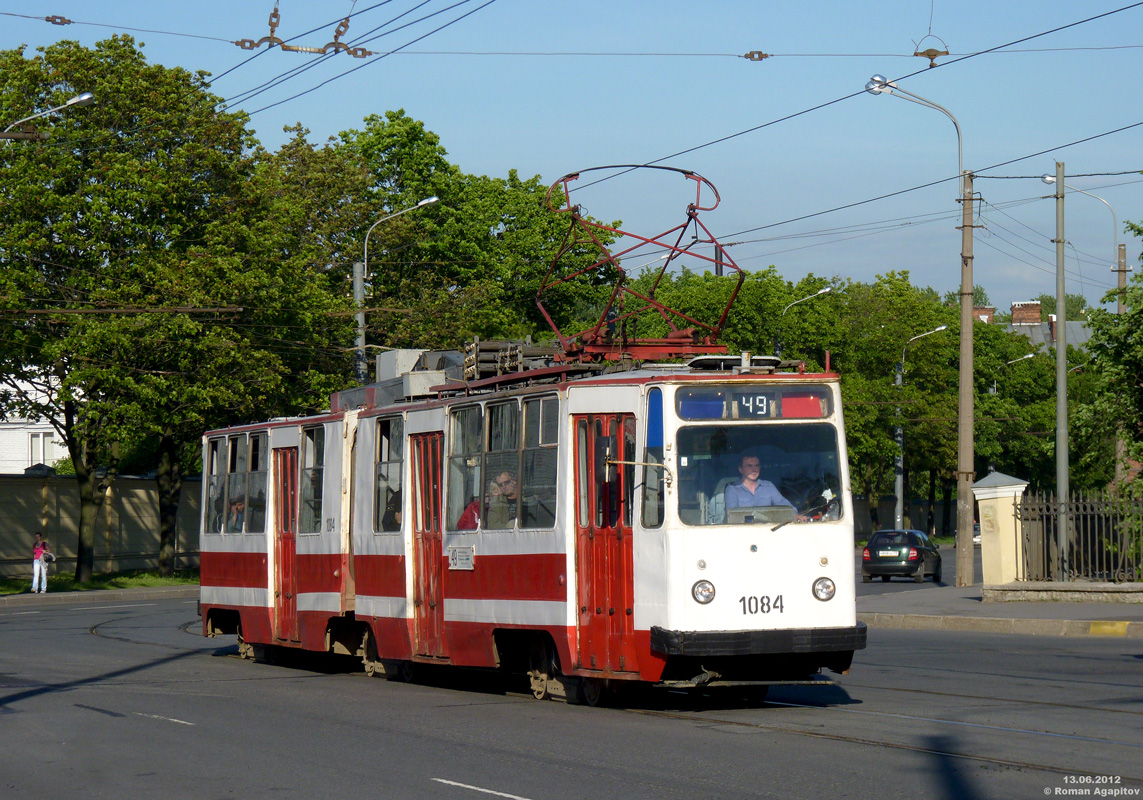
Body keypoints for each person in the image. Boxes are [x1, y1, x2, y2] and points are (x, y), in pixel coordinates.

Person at [724, 455, 795, 511]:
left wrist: (794, 515)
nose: (754, 470)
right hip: (743, 529)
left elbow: (786, 506)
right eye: (750, 466)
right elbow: (732, 516)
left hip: (768, 528)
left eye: (756, 466)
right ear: (741, 469)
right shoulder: (732, 490)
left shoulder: (768, 486)